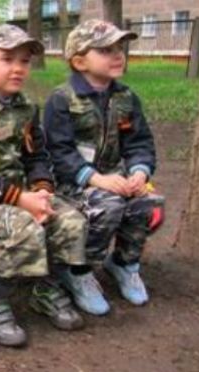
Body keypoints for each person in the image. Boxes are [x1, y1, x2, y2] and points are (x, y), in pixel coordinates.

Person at [0, 25, 89, 348]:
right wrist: (20, 199)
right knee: (26, 229)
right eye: (7, 59)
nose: (18, 68)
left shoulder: (27, 107)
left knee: (71, 221)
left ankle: (45, 288)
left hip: (25, 194)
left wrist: (42, 188)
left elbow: (37, 154)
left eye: (24, 60)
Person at [44, 19, 158, 314]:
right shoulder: (62, 99)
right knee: (108, 205)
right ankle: (78, 270)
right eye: (106, 50)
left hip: (112, 177)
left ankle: (123, 263)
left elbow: (139, 142)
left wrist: (139, 172)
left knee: (146, 202)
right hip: (70, 182)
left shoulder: (126, 98)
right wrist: (96, 179)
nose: (117, 55)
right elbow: (58, 151)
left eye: (119, 48)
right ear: (79, 61)